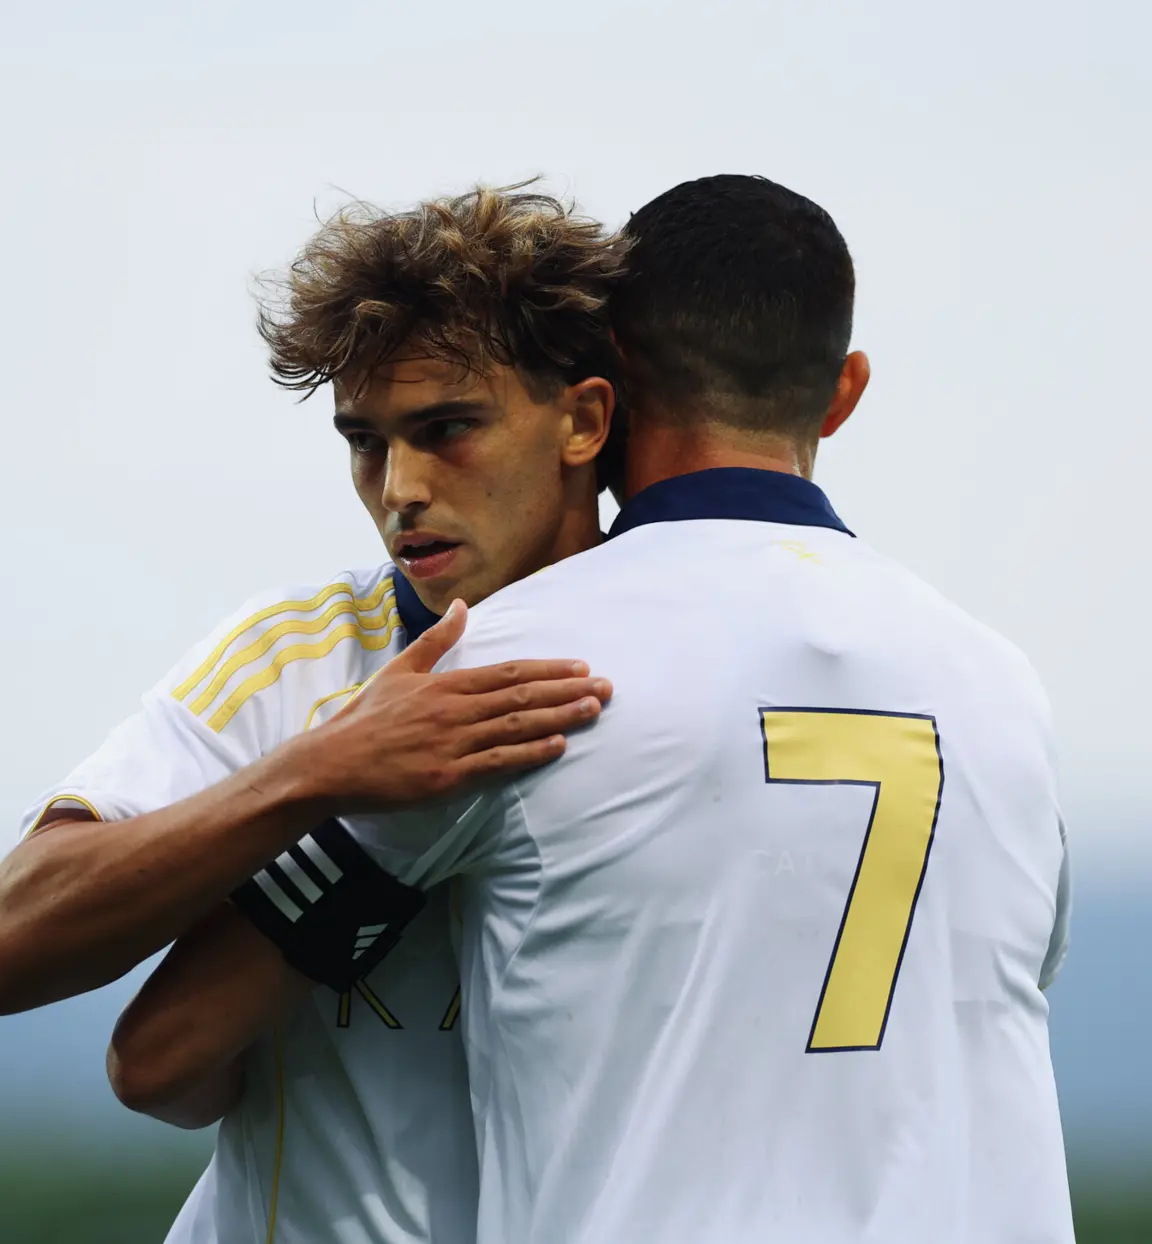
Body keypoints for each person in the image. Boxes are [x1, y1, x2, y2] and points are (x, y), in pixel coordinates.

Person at [288, 175, 1072, 1242]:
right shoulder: (1001, 683)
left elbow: (166, 1053)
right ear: (843, 392)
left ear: (600, 395)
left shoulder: (513, 659)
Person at [0, 186, 625, 1244]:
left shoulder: (676, 660)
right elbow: (8, 947)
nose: (399, 485)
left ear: (584, 420)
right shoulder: (300, 653)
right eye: (365, 441)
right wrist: (318, 769)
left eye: (447, 428)